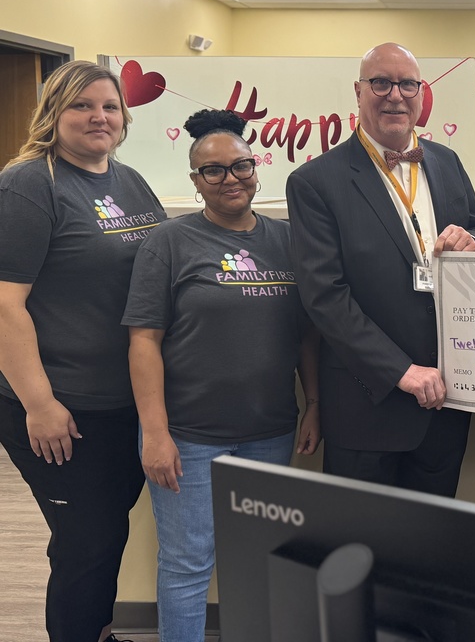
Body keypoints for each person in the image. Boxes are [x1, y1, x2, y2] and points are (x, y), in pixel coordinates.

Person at [121, 109, 319, 642]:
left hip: (269, 432)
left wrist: (315, 405)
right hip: (187, 436)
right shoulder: (168, 243)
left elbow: (305, 336)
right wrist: (156, 434)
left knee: (256, 563)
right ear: (195, 181)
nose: (230, 178)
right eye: (214, 170)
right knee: (187, 565)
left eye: (241, 165)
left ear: (257, 168)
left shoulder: (288, 241)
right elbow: (144, 342)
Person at [0, 60, 165, 642]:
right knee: (85, 542)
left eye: (110, 106)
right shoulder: (29, 184)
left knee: (103, 534)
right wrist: (39, 404)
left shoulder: (128, 180)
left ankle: (95, 630)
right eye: (81, 105)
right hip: (63, 406)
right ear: (53, 113)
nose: (99, 116)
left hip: (122, 401)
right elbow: (4, 306)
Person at [286, 42, 475, 497]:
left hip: (447, 399)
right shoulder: (315, 182)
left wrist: (473, 240)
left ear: (421, 94)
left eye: (406, 84)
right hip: (368, 404)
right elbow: (325, 295)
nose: (394, 95)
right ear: (359, 92)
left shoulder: (446, 161)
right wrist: (400, 370)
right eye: (380, 82)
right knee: (361, 547)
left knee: (430, 543)